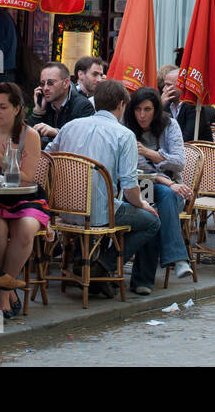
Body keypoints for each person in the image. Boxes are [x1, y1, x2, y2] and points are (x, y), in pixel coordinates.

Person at [48, 79, 161, 296]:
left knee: (105, 202)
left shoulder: (70, 127)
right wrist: (143, 204)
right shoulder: (124, 134)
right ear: (121, 104)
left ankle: (88, 264)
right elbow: (129, 186)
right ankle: (103, 265)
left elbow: (49, 157)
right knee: (152, 221)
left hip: (64, 211)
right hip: (99, 213)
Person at [0, 82, 48, 317]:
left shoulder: (29, 135)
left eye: (3, 107)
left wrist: (1, 160)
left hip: (24, 197)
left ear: (16, 109)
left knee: (25, 230)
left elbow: (28, 178)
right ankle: (5, 290)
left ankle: (2, 291)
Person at [124, 85, 193, 282]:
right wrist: (166, 181)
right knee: (155, 203)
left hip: (171, 192)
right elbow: (140, 172)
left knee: (159, 203)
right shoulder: (128, 129)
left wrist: (149, 153)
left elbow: (179, 162)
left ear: (156, 111)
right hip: (139, 188)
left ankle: (142, 282)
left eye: (147, 110)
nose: (142, 115)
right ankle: (178, 258)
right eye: (137, 110)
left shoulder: (169, 125)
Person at [27, 61, 94, 144]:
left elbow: (82, 140)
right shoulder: (45, 104)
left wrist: (56, 132)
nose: (45, 88)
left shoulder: (83, 106)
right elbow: (26, 137)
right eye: (42, 83)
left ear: (66, 83)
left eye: (50, 83)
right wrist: (38, 111)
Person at [159, 63, 215, 140]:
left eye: (168, 85)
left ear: (181, 86)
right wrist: (160, 107)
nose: (164, 89)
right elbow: (155, 133)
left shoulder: (193, 106)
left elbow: (187, 139)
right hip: (174, 150)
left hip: (197, 150)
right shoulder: (166, 105)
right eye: (164, 85)